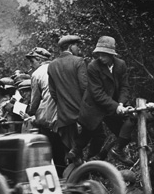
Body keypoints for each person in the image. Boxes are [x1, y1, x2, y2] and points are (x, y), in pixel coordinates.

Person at [70, 36, 128, 165]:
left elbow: (124, 87)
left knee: (123, 133)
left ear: (111, 54)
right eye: (99, 54)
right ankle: (84, 159)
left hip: (110, 106)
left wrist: (121, 103)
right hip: (94, 106)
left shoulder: (121, 65)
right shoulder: (93, 66)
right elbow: (97, 93)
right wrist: (116, 106)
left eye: (104, 54)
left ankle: (98, 158)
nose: (100, 57)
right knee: (91, 133)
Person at [48, 35, 88, 164]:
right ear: (70, 46)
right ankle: (84, 179)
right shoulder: (78, 61)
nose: (79, 48)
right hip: (79, 114)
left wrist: (64, 104)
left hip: (63, 117)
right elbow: (84, 88)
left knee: (70, 152)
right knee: (81, 150)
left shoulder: (52, 65)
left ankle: (74, 179)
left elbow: (53, 92)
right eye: (77, 45)